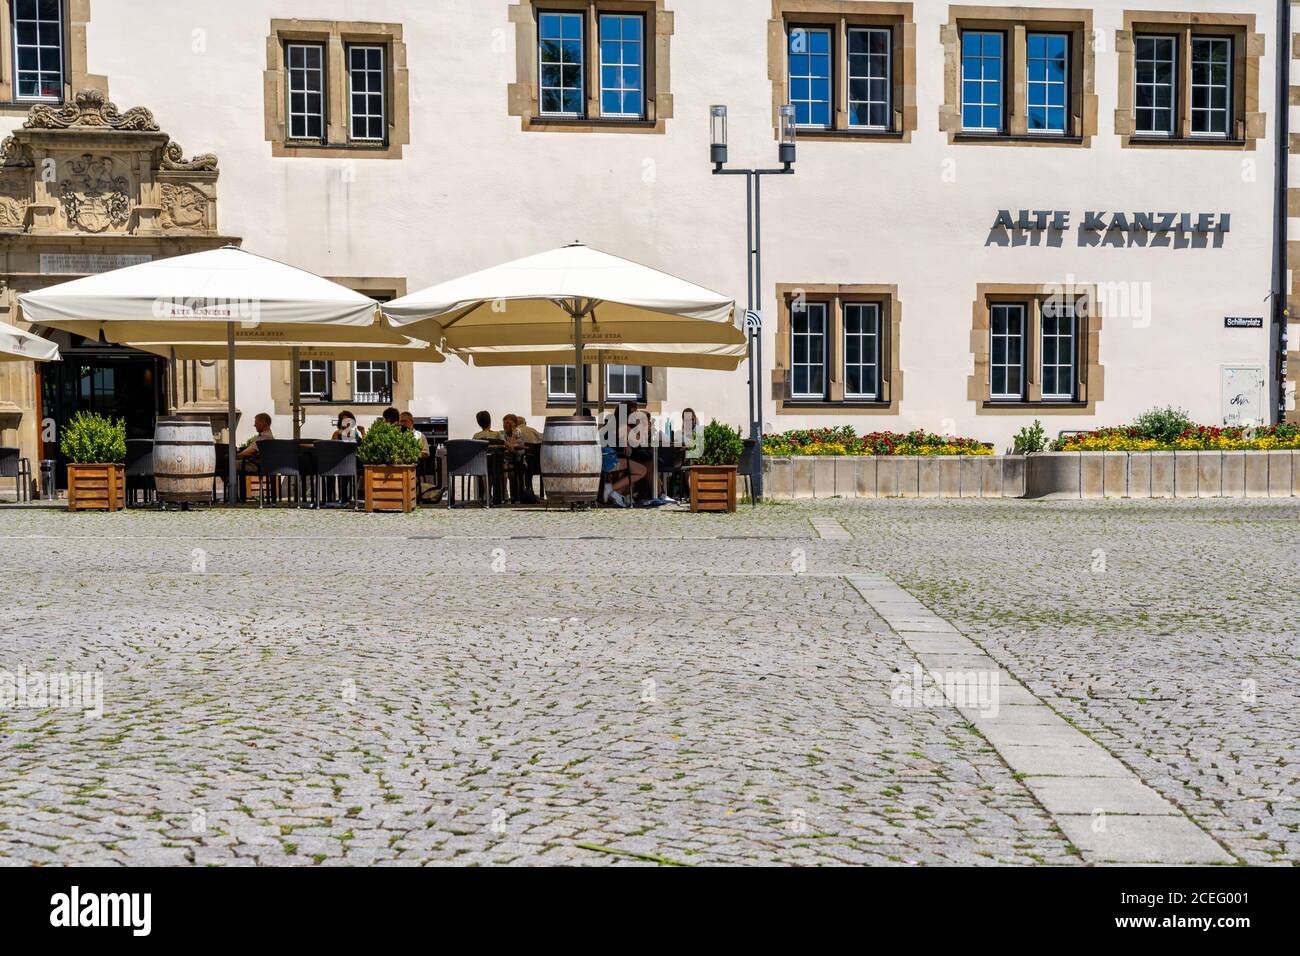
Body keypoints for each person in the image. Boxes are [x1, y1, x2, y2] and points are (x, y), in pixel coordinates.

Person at [600, 403, 647, 508]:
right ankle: (610, 489)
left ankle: (619, 493)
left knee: (631, 467)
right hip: (611, 460)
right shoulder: (624, 426)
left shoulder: (612, 424)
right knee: (642, 470)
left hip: (604, 458)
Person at [236, 412, 274, 501]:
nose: (254, 425)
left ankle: (233, 492)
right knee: (230, 463)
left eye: (256, 423)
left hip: (256, 465)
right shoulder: (264, 436)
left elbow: (249, 452)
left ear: (264, 423)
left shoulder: (265, 438)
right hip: (255, 462)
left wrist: (236, 455)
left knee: (229, 464)